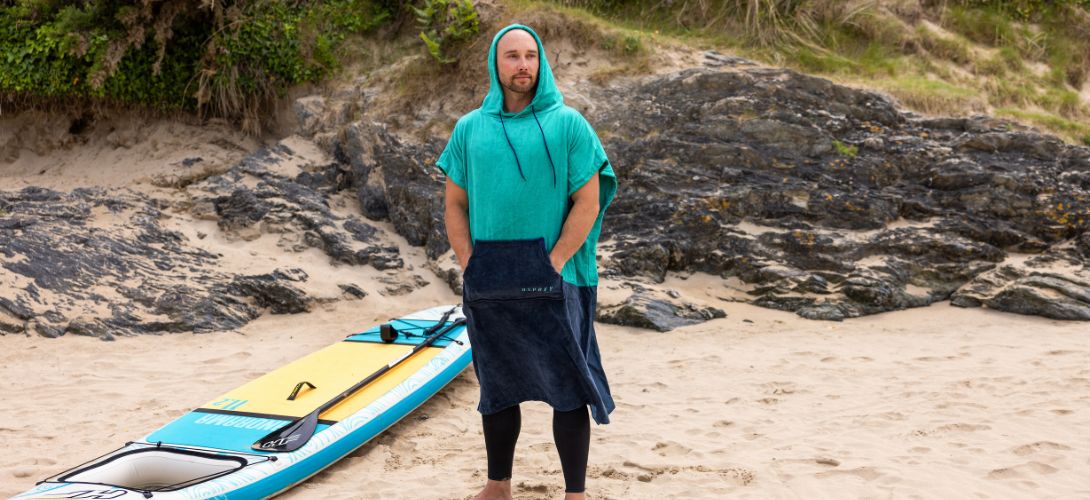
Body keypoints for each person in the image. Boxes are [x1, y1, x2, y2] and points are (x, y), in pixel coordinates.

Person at [436, 23, 618, 500]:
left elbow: (588, 201)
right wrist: (468, 262)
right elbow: (455, 203)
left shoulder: (569, 124)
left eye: (531, 57)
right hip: (490, 276)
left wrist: (555, 261)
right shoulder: (470, 128)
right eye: (512, 56)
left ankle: (575, 493)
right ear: (496, 65)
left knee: (568, 386)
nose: (523, 66)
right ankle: (498, 487)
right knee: (497, 387)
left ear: (542, 63)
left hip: (558, 277)